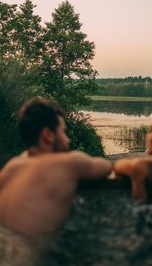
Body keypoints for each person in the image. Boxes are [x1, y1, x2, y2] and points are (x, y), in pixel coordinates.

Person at [0, 98, 112, 236]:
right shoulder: (69, 163)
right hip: (24, 255)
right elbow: (106, 166)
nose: (67, 139)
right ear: (48, 135)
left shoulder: (10, 167)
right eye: (63, 132)